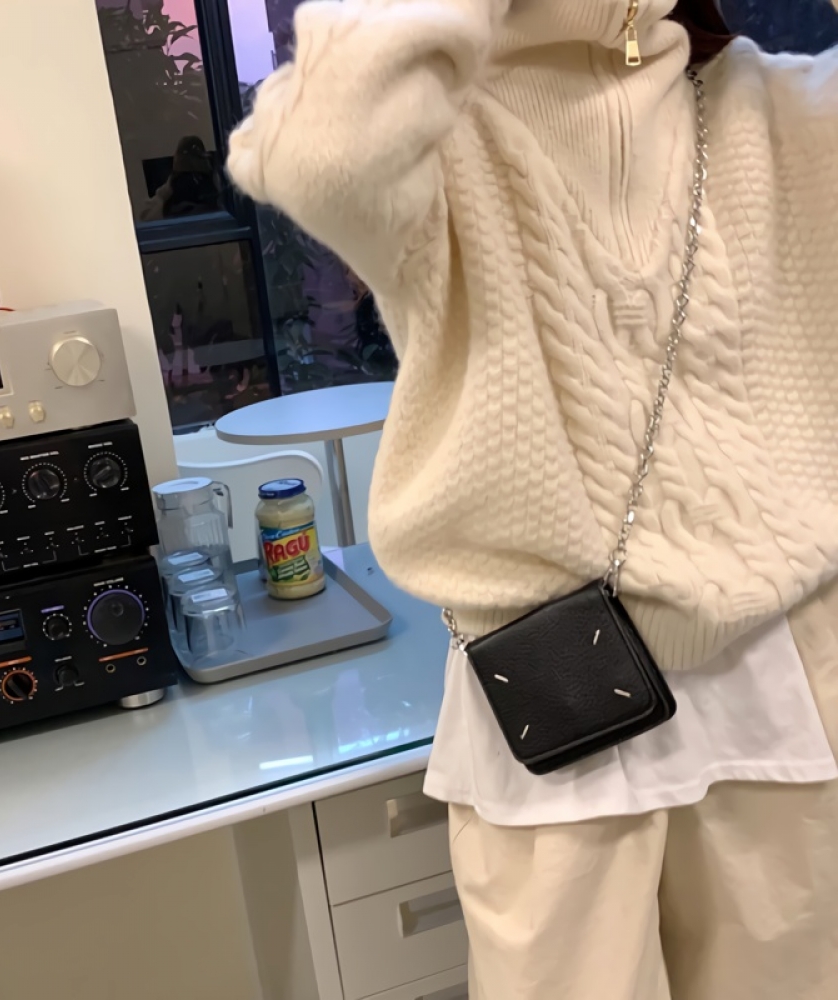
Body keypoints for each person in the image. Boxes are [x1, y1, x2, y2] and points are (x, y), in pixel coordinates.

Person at [228, 1, 838, 997]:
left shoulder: (789, 113)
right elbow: (322, 149)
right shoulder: (438, 127)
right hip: (551, 686)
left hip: (787, 670)